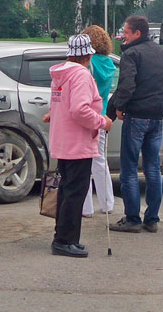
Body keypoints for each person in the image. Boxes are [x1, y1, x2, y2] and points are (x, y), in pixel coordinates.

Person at [107, 15, 163, 233]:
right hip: (157, 118)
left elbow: (126, 86)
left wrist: (118, 108)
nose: (123, 36)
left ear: (137, 34)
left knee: (130, 168)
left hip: (136, 118)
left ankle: (132, 218)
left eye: (126, 32)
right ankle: (152, 219)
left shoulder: (131, 54)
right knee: (152, 168)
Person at [42, 34, 112, 257]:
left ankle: (65, 237)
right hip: (78, 141)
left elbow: (64, 105)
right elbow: (80, 109)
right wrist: (102, 122)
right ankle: (64, 241)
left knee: (67, 190)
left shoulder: (61, 74)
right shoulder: (81, 75)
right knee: (75, 192)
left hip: (64, 140)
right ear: (88, 55)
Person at [81, 24, 116, 218]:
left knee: (84, 163)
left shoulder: (89, 63)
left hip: (88, 116)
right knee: (100, 161)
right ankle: (108, 203)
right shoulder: (109, 64)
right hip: (101, 115)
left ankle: (86, 208)